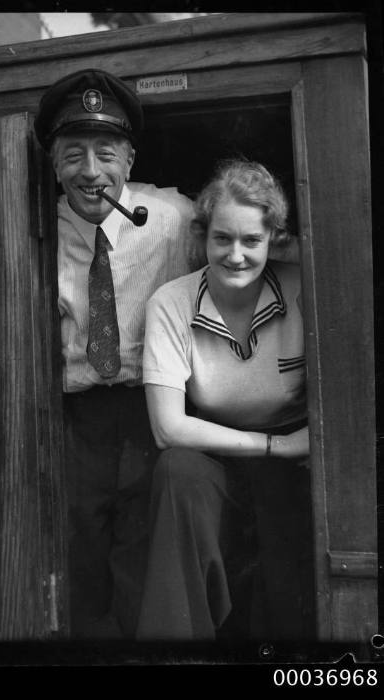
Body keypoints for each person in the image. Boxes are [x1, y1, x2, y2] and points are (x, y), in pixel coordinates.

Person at [34, 69, 195, 638]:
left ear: (129, 162)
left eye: (106, 153)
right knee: (77, 548)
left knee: (144, 550)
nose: (91, 172)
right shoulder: (33, 229)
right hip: (75, 419)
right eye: (73, 154)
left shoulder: (175, 220)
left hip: (153, 409)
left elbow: (247, 247)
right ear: (54, 166)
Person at [137, 159, 313, 641]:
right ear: (203, 238)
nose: (236, 255)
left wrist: (288, 451)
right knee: (177, 471)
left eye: (252, 241)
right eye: (222, 239)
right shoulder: (171, 303)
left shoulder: (303, 288)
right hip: (220, 451)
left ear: (273, 241)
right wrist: (273, 445)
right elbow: (168, 428)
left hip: (293, 458)